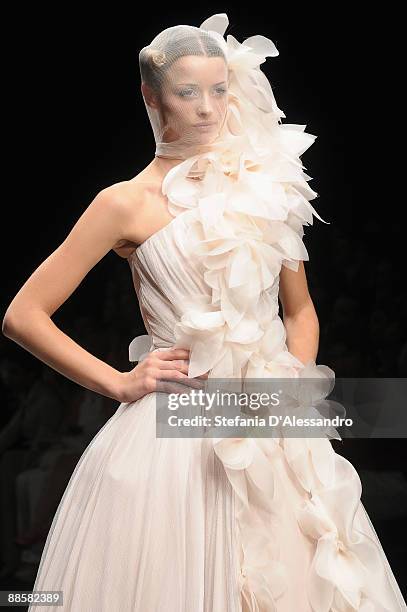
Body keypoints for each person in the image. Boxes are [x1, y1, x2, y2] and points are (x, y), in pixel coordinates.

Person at [2, 12, 406, 612]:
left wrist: (293, 390)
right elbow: (23, 314)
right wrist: (118, 380)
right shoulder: (123, 204)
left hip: (273, 426)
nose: (208, 107)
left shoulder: (262, 188)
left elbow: (300, 314)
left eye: (219, 89)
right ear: (151, 96)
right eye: (187, 92)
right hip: (176, 441)